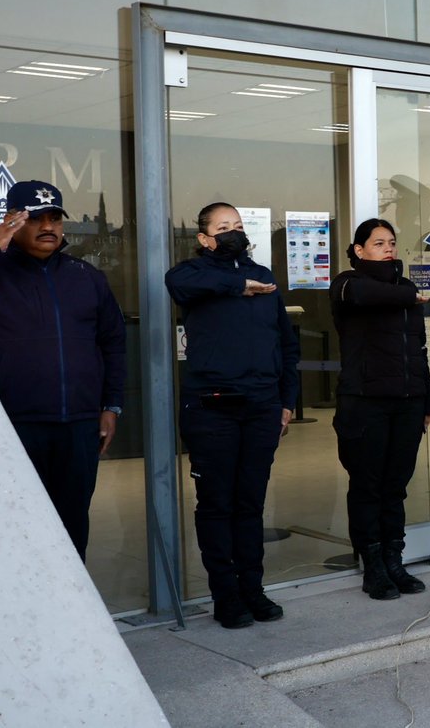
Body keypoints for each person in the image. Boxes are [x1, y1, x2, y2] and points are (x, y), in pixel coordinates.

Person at [165, 202, 299, 629]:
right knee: (217, 504)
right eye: (223, 228)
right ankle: (226, 594)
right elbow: (178, 284)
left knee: (250, 502)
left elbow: (286, 344)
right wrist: (237, 284)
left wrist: (286, 400)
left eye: (238, 226)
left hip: (261, 405)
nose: (233, 233)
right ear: (204, 239)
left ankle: (253, 589)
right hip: (213, 407)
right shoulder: (194, 275)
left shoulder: (266, 276)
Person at [0, 180, 126, 561]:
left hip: (79, 426)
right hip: (15, 427)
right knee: (16, 530)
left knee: (71, 527)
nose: (48, 227)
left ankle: (75, 616)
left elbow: (113, 343)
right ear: (12, 222)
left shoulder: (86, 277)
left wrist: (111, 406)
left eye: (55, 218)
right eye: (35, 218)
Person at [331, 218, 430, 601]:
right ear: (359, 251)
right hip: (364, 404)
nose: (388, 248)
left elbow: (418, 351)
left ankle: (394, 561)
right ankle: (372, 566)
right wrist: (409, 297)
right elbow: (364, 295)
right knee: (367, 486)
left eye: (391, 242)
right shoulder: (346, 284)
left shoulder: (406, 290)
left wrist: (427, 402)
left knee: (395, 487)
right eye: (378, 243)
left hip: (407, 404)